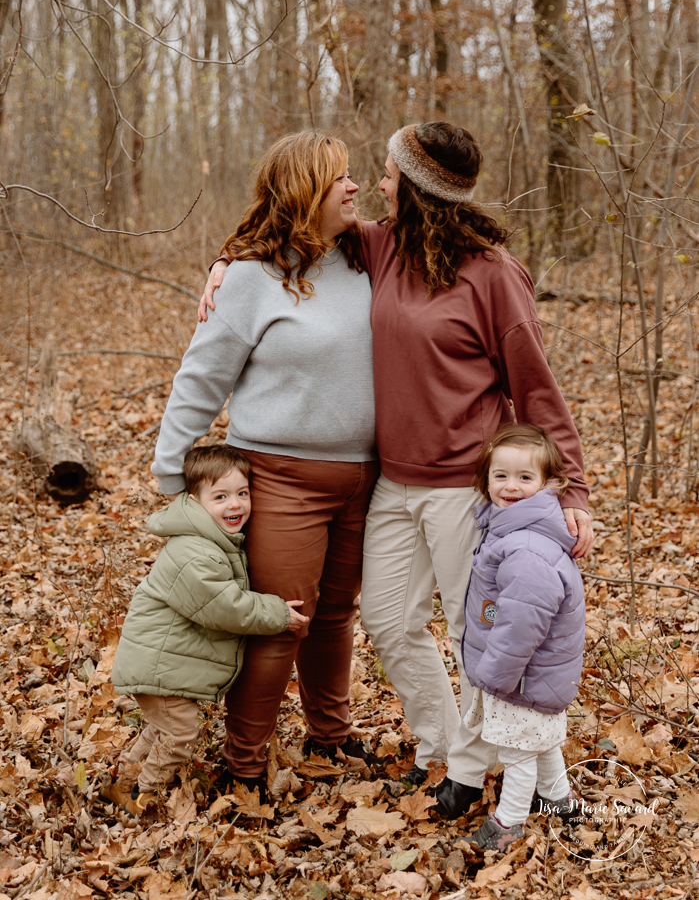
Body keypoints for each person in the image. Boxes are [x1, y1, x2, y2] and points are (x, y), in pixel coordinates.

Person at [202, 121, 593, 815]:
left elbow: (536, 388)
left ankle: (466, 772)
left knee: (475, 631)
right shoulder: (382, 249)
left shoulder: (494, 275)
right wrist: (227, 263)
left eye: (386, 174)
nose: (376, 184)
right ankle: (441, 744)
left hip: (463, 490)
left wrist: (574, 490)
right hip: (391, 481)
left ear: (414, 187)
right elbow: (289, 230)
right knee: (387, 621)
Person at [153, 132, 380, 795]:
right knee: (282, 619)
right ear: (307, 190)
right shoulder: (252, 277)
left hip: (365, 479)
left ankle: (328, 737)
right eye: (339, 177)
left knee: (335, 617)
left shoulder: (368, 259)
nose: (354, 187)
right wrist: (173, 477)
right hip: (280, 479)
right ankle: (243, 765)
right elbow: (199, 380)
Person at [103, 445, 306, 816]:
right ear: (193, 501)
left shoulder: (211, 541)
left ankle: (121, 782)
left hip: (160, 662)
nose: (235, 505)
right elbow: (224, 606)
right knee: (179, 734)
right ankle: (141, 798)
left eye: (242, 494)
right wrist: (276, 613)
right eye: (221, 496)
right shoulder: (196, 552)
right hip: (158, 665)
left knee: (160, 728)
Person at [458, 423, 585, 852]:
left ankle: (509, 823)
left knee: (518, 752)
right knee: (540, 740)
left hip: (522, 675)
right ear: (486, 478)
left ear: (550, 484)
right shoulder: (511, 528)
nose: (511, 486)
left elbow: (521, 624)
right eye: (501, 475)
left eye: (525, 477)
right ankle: (560, 802)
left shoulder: (526, 546)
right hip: (536, 674)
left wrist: (494, 675)